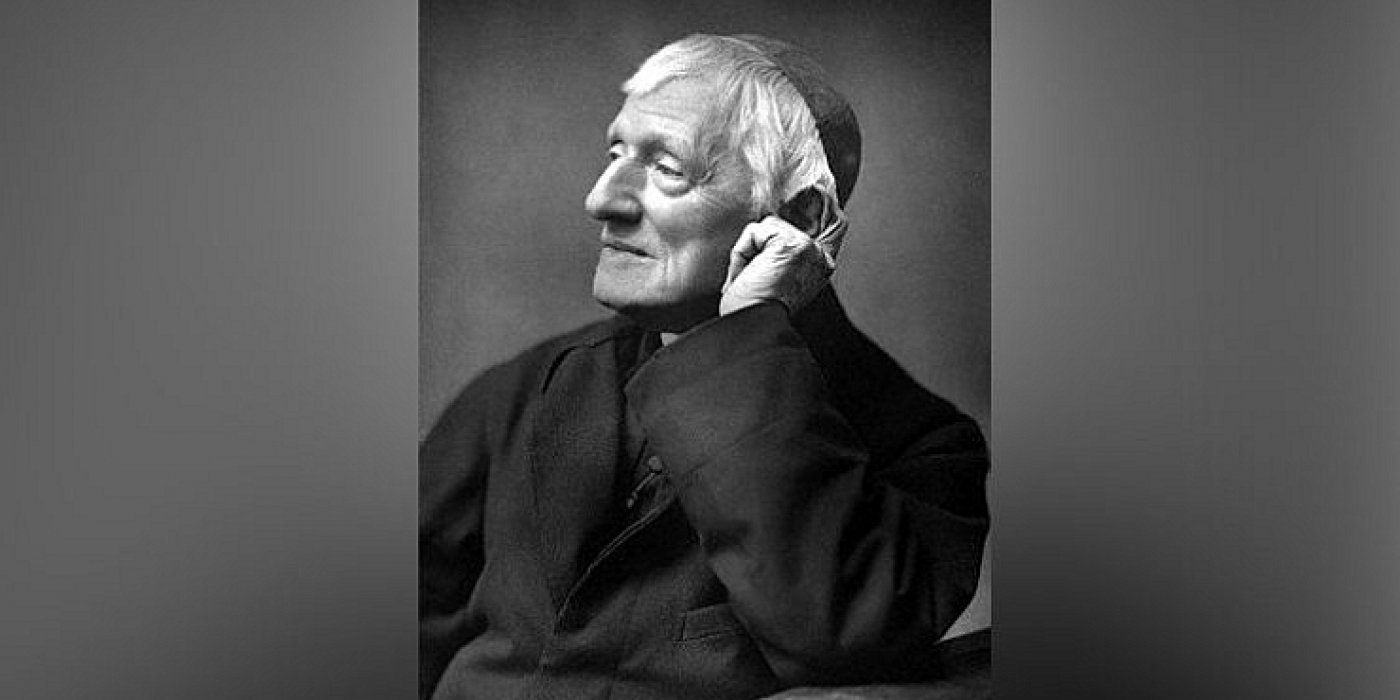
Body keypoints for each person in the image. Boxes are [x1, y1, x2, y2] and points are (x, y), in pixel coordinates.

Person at [421, 33, 989, 700]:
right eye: (614, 154)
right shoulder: (522, 390)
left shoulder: (923, 447)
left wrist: (748, 332)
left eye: (667, 169)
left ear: (800, 217)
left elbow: (837, 634)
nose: (602, 199)